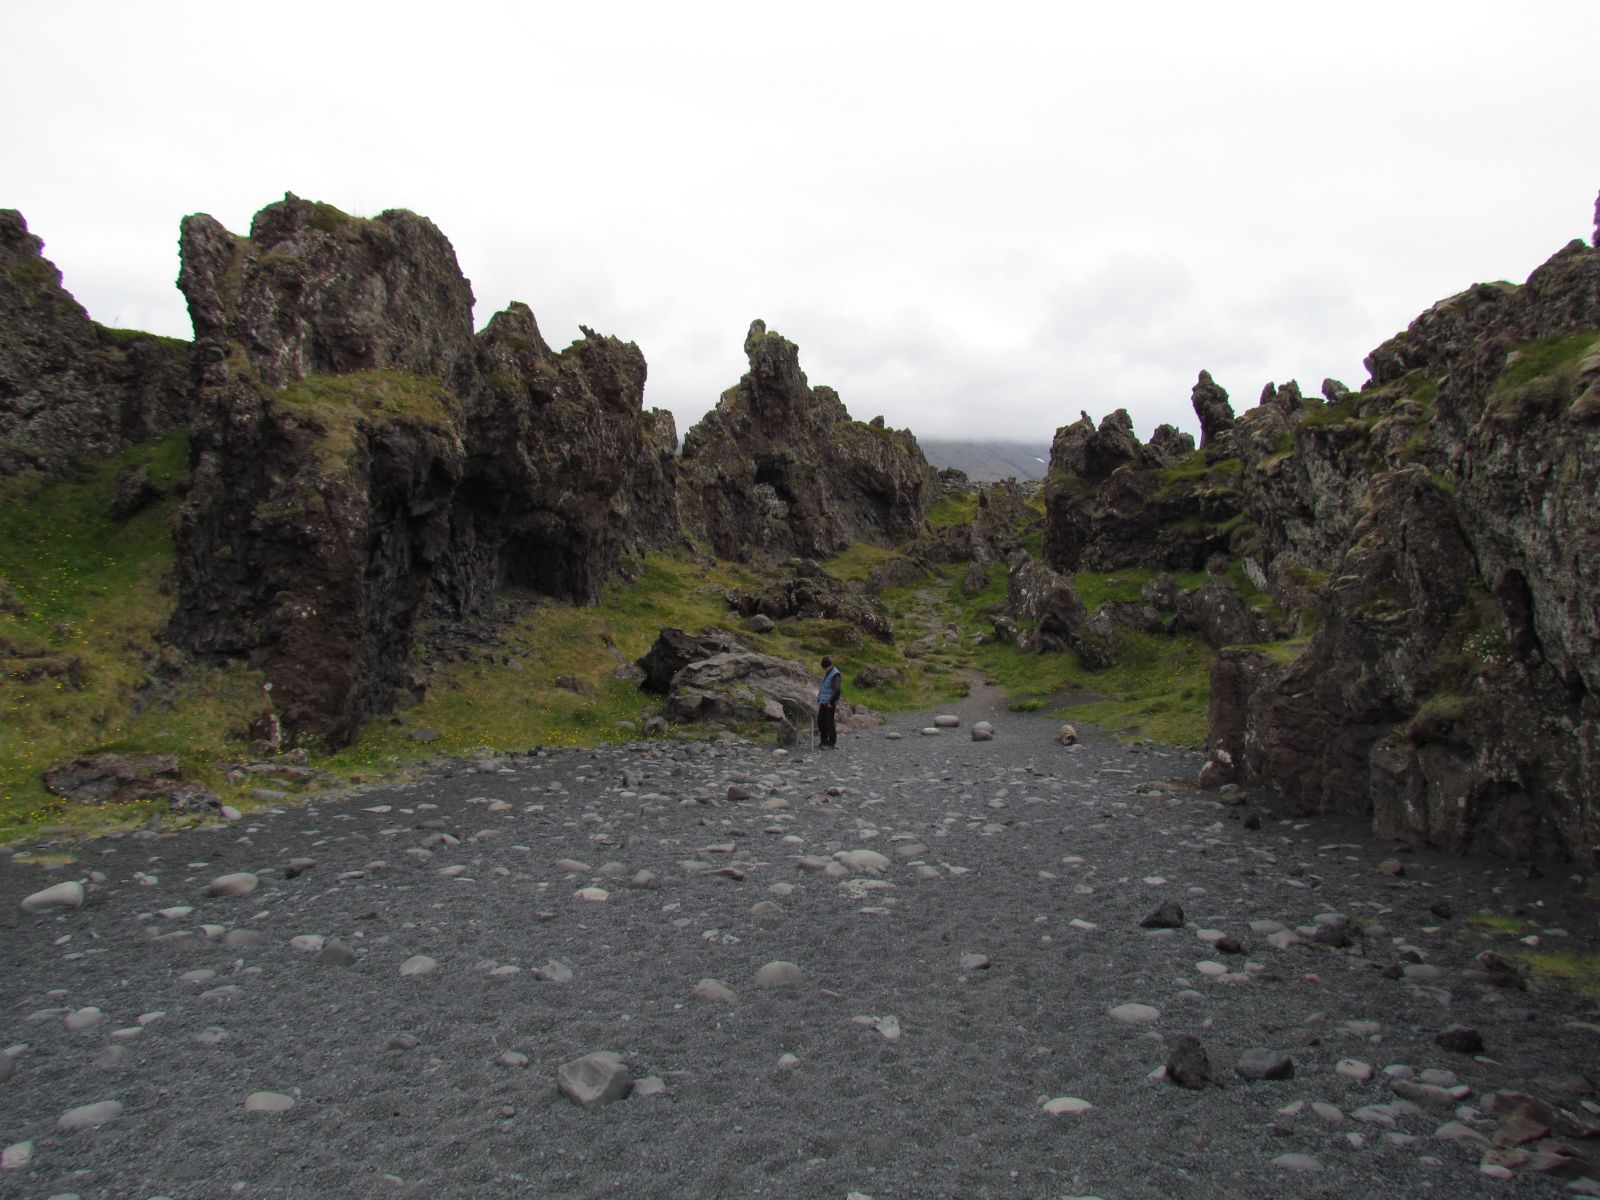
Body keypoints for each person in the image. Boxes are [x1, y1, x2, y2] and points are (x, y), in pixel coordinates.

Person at [816, 656, 842, 749]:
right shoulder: (827, 673)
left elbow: (837, 690)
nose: (824, 670)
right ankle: (823, 741)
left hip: (830, 703)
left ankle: (831, 743)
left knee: (829, 723)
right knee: (820, 721)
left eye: (825, 668)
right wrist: (819, 698)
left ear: (827, 666)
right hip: (823, 702)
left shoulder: (835, 675)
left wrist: (831, 702)